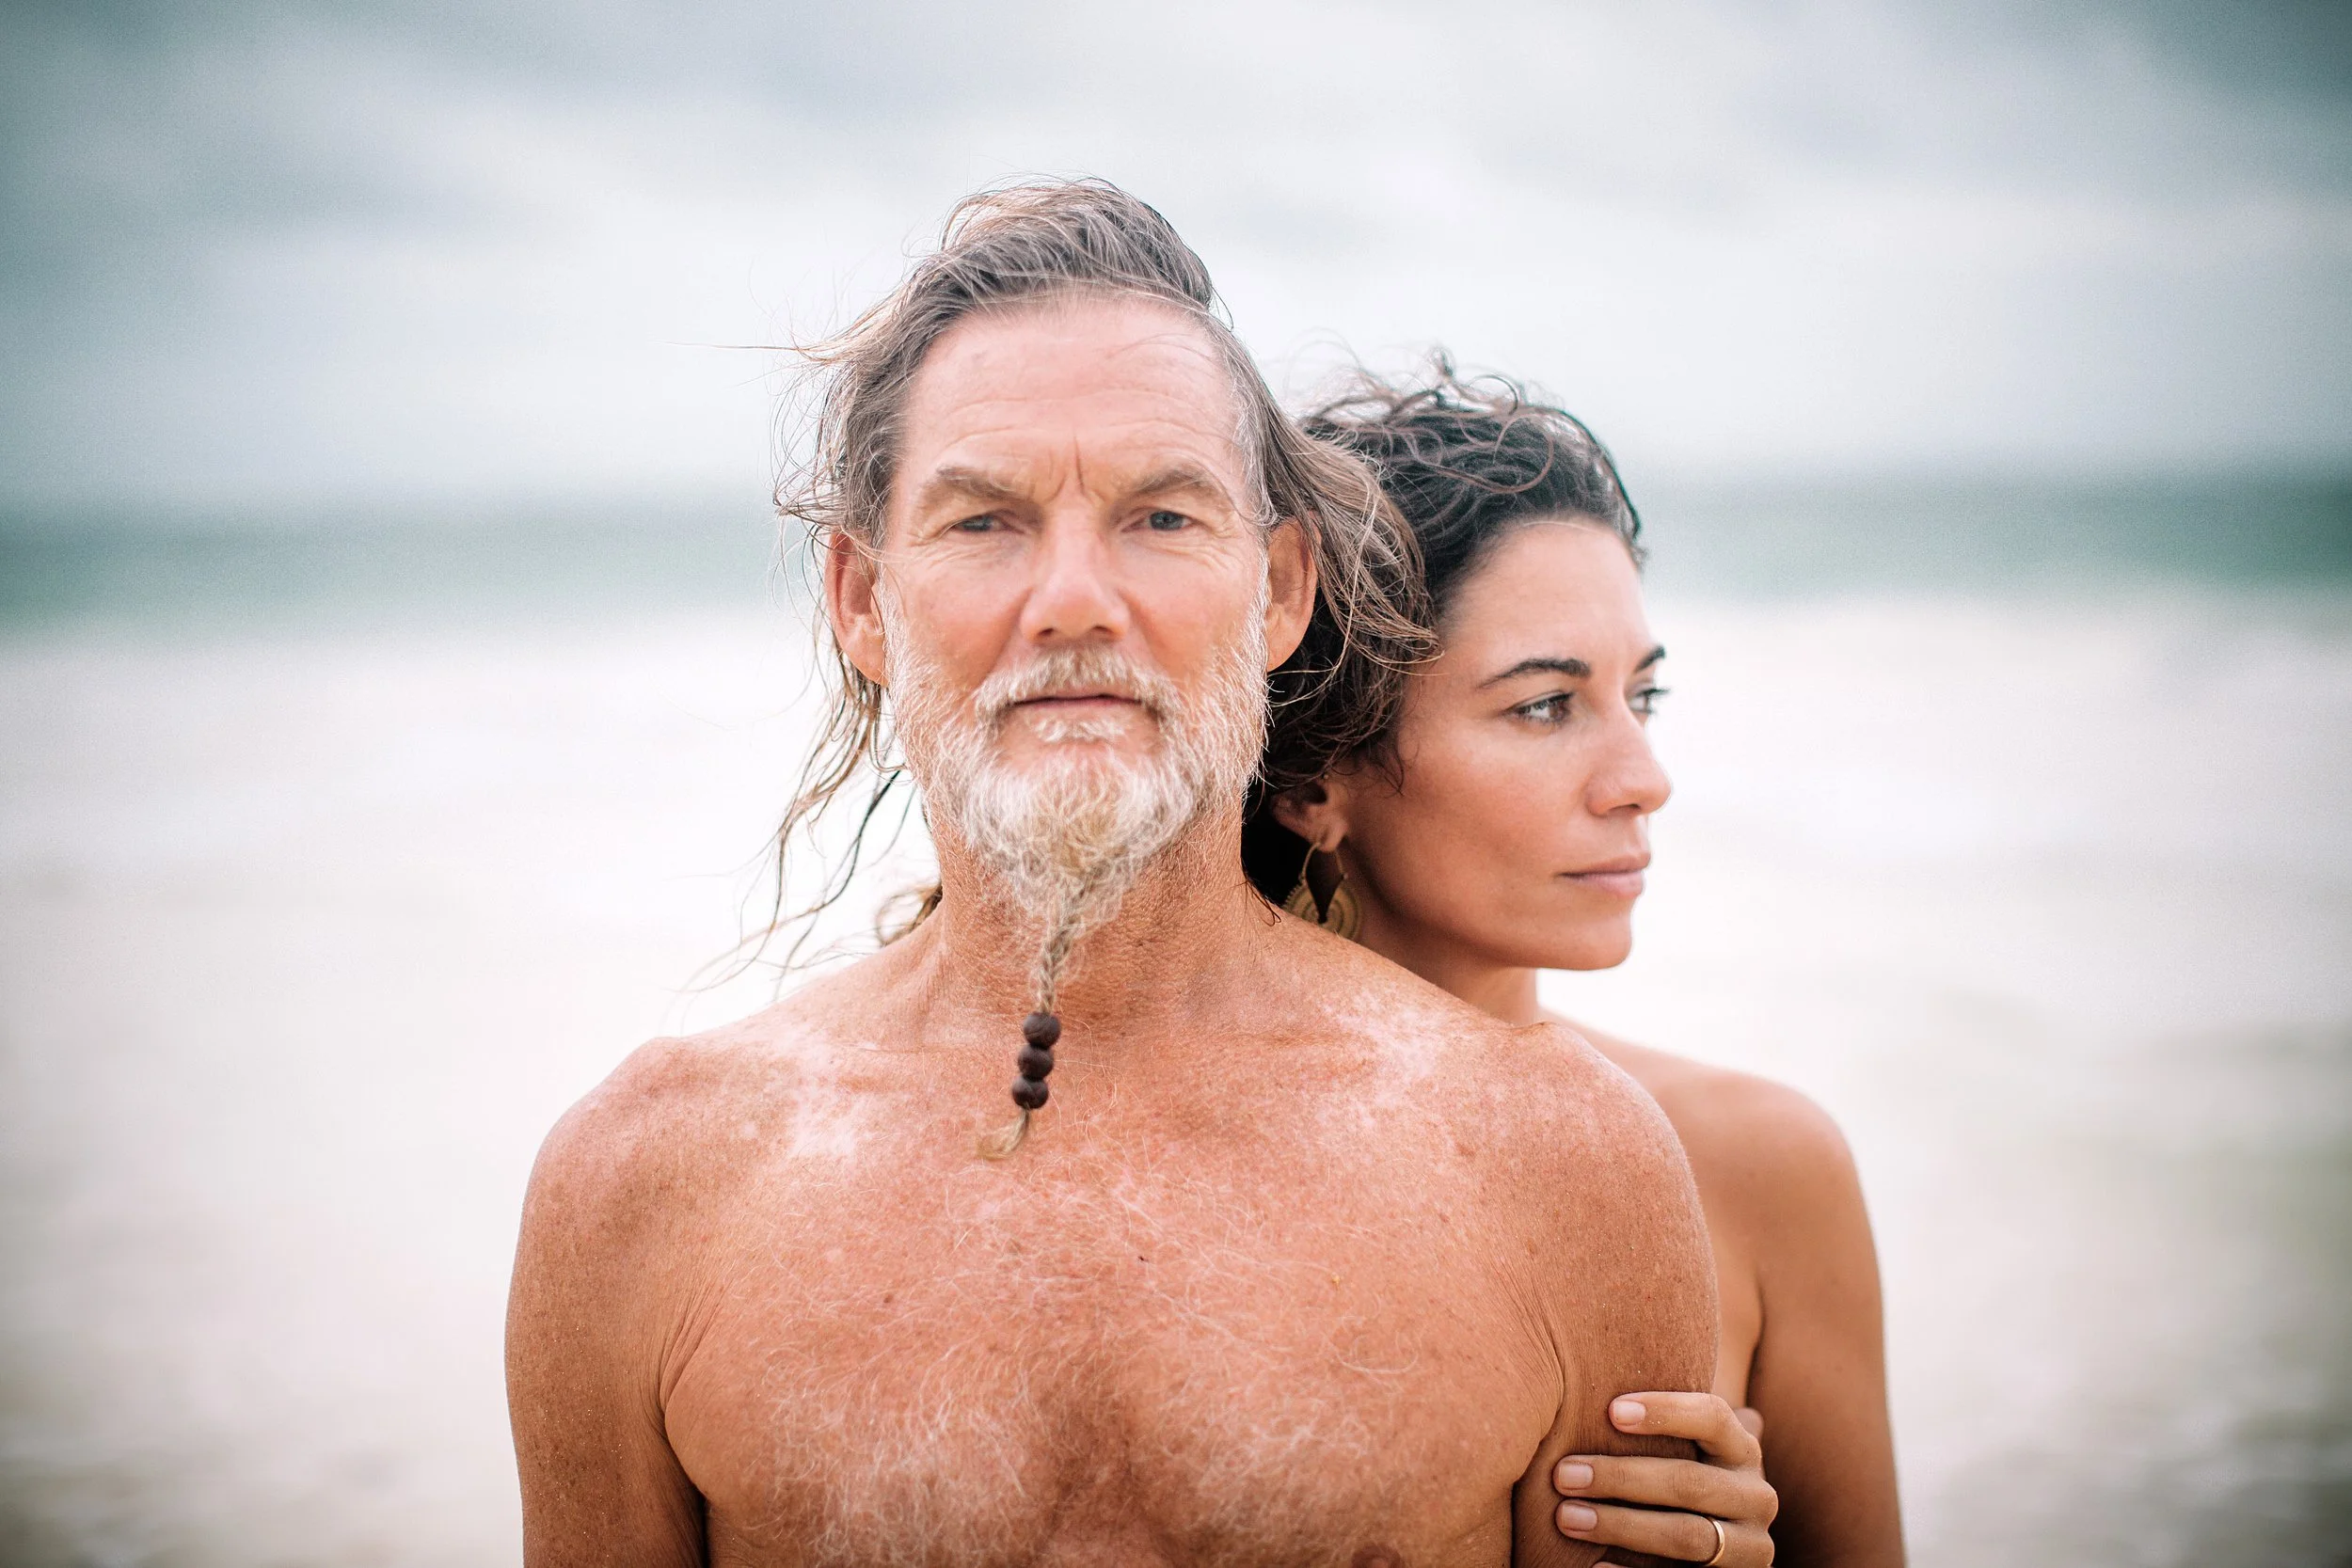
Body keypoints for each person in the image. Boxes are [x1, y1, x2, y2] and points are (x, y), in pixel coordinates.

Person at [506, 181, 1723, 1567]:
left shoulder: (1559, 1160)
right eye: (985, 522)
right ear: (862, 603)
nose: (1075, 595)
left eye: (1158, 516)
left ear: (1278, 592)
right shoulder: (644, 1185)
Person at [1250, 366, 1906, 1565]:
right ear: (1311, 779)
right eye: (1547, 706)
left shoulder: (1762, 1165)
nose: (1643, 776)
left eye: (1640, 693)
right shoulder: (1170, 1181)